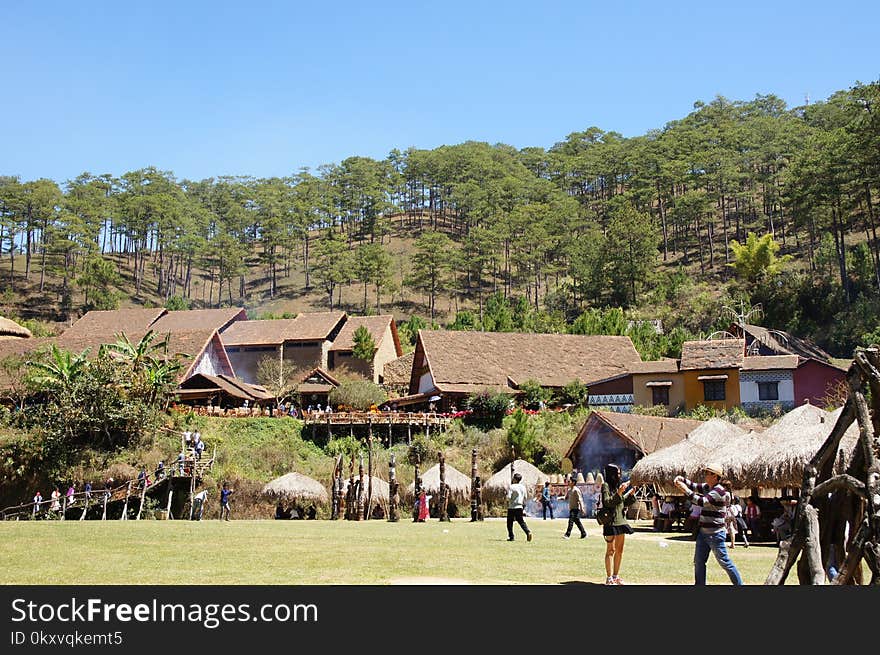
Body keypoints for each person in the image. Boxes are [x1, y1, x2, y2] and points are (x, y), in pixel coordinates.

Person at [674, 463, 743, 585]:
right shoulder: (708, 487)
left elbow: (702, 501)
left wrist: (685, 490)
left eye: (707, 473)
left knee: (725, 562)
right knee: (699, 562)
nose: (705, 475)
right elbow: (695, 486)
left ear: (715, 476)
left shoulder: (719, 491)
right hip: (703, 533)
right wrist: (682, 479)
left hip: (715, 534)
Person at [600, 463, 637, 585]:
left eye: (620, 473)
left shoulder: (617, 486)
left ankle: (616, 576)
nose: (619, 476)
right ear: (611, 474)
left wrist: (630, 495)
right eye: (617, 473)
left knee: (620, 550)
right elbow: (607, 502)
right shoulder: (605, 486)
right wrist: (620, 492)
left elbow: (622, 503)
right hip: (611, 522)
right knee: (611, 550)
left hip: (621, 521)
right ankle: (609, 578)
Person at [506, 472, 533, 542]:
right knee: (521, 521)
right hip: (520, 507)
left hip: (512, 507)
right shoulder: (523, 487)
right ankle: (528, 532)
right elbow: (525, 497)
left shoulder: (511, 487)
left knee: (509, 522)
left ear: (514, 479)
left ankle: (511, 536)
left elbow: (508, 497)